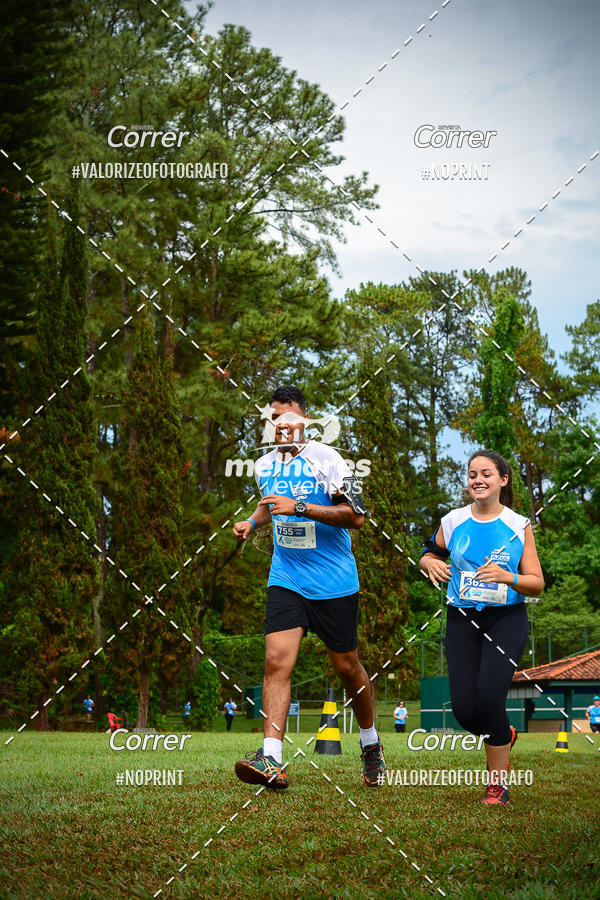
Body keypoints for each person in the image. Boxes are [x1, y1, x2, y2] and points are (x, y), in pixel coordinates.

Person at [232, 385, 385, 789]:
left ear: (303, 419)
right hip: (287, 576)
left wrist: (300, 507)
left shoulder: (328, 460)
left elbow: (356, 516)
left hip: (334, 582)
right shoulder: (264, 465)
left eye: (287, 417)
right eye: (273, 419)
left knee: (347, 667)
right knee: (276, 661)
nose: (279, 425)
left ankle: (370, 743)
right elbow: (269, 505)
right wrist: (252, 522)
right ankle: (271, 758)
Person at [419, 449, 544, 806]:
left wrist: (507, 577)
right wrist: (429, 564)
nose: (478, 480)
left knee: (490, 696)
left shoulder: (518, 525)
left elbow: (536, 583)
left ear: (503, 480)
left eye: (486, 474)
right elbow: (429, 554)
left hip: (506, 619)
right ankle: (503, 734)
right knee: (463, 710)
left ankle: (497, 786)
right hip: (462, 618)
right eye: (473, 474)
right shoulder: (453, 520)